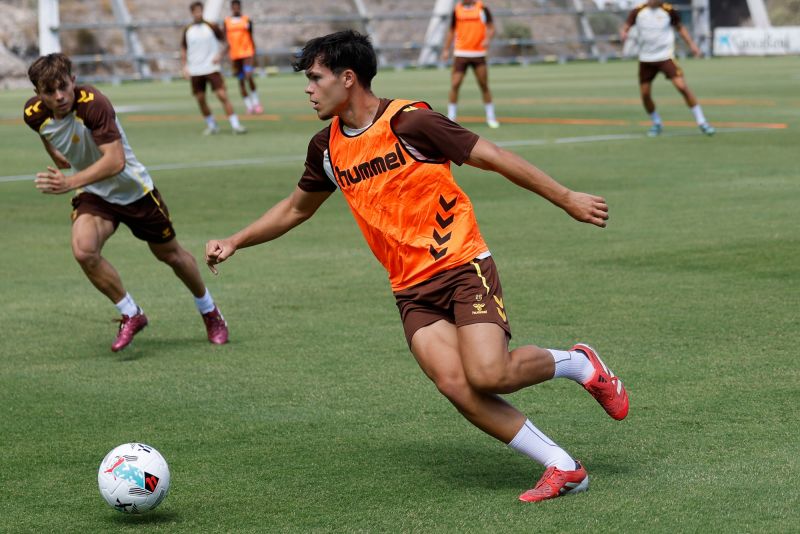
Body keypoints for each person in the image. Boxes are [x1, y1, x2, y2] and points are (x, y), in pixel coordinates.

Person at [205, 31, 628, 503]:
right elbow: (294, 209)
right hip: (410, 289)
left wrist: (567, 198)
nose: (308, 89)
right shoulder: (325, 148)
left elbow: (495, 157)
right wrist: (236, 240)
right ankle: (563, 466)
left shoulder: (411, 122)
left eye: (315, 78)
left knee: (489, 375)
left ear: (348, 78)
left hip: (462, 265)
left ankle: (579, 363)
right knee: (455, 384)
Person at [24, 53, 229, 352]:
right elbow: (44, 132)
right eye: (49, 91)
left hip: (134, 191)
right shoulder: (34, 114)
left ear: (73, 81)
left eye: (63, 87)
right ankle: (131, 313)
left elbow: (115, 161)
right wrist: (55, 154)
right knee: (84, 250)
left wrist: (69, 181)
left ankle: (209, 310)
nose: (59, 96)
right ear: (38, 93)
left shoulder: (93, 104)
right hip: (94, 194)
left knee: (171, 255)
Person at [620, 0, 715, 136]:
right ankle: (656, 123)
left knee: (682, 87)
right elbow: (626, 26)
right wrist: (624, 32)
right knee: (645, 94)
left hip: (665, 57)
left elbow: (680, 28)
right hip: (646, 59)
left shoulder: (669, 10)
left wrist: (692, 45)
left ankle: (702, 122)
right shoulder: (638, 11)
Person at [181, 1, 247, 135]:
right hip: (195, 70)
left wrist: (219, 55)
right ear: (192, 13)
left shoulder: (211, 26)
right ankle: (212, 125)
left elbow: (227, 43)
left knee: (222, 95)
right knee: (200, 99)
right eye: (195, 11)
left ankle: (235, 125)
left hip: (211, 68)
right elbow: (183, 48)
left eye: (200, 11)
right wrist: (184, 66)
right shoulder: (188, 29)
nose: (198, 14)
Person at [440, 0, 499, 128]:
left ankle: (491, 117)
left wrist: (488, 39)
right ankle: (451, 117)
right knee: (455, 84)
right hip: (461, 53)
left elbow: (491, 27)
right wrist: (446, 49)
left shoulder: (482, 8)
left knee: (483, 85)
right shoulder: (457, 10)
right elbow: (451, 30)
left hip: (478, 54)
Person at [223, 0, 263, 114]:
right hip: (235, 55)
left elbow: (251, 35)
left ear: (240, 7)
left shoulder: (246, 20)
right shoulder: (227, 22)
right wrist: (226, 53)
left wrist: (254, 52)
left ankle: (256, 103)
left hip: (247, 53)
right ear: (231, 8)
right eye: (234, 7)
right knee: (240, 80)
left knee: (248, 76)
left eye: (237, 7)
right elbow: (225, 39)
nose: (236, 9)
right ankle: (249, 106)